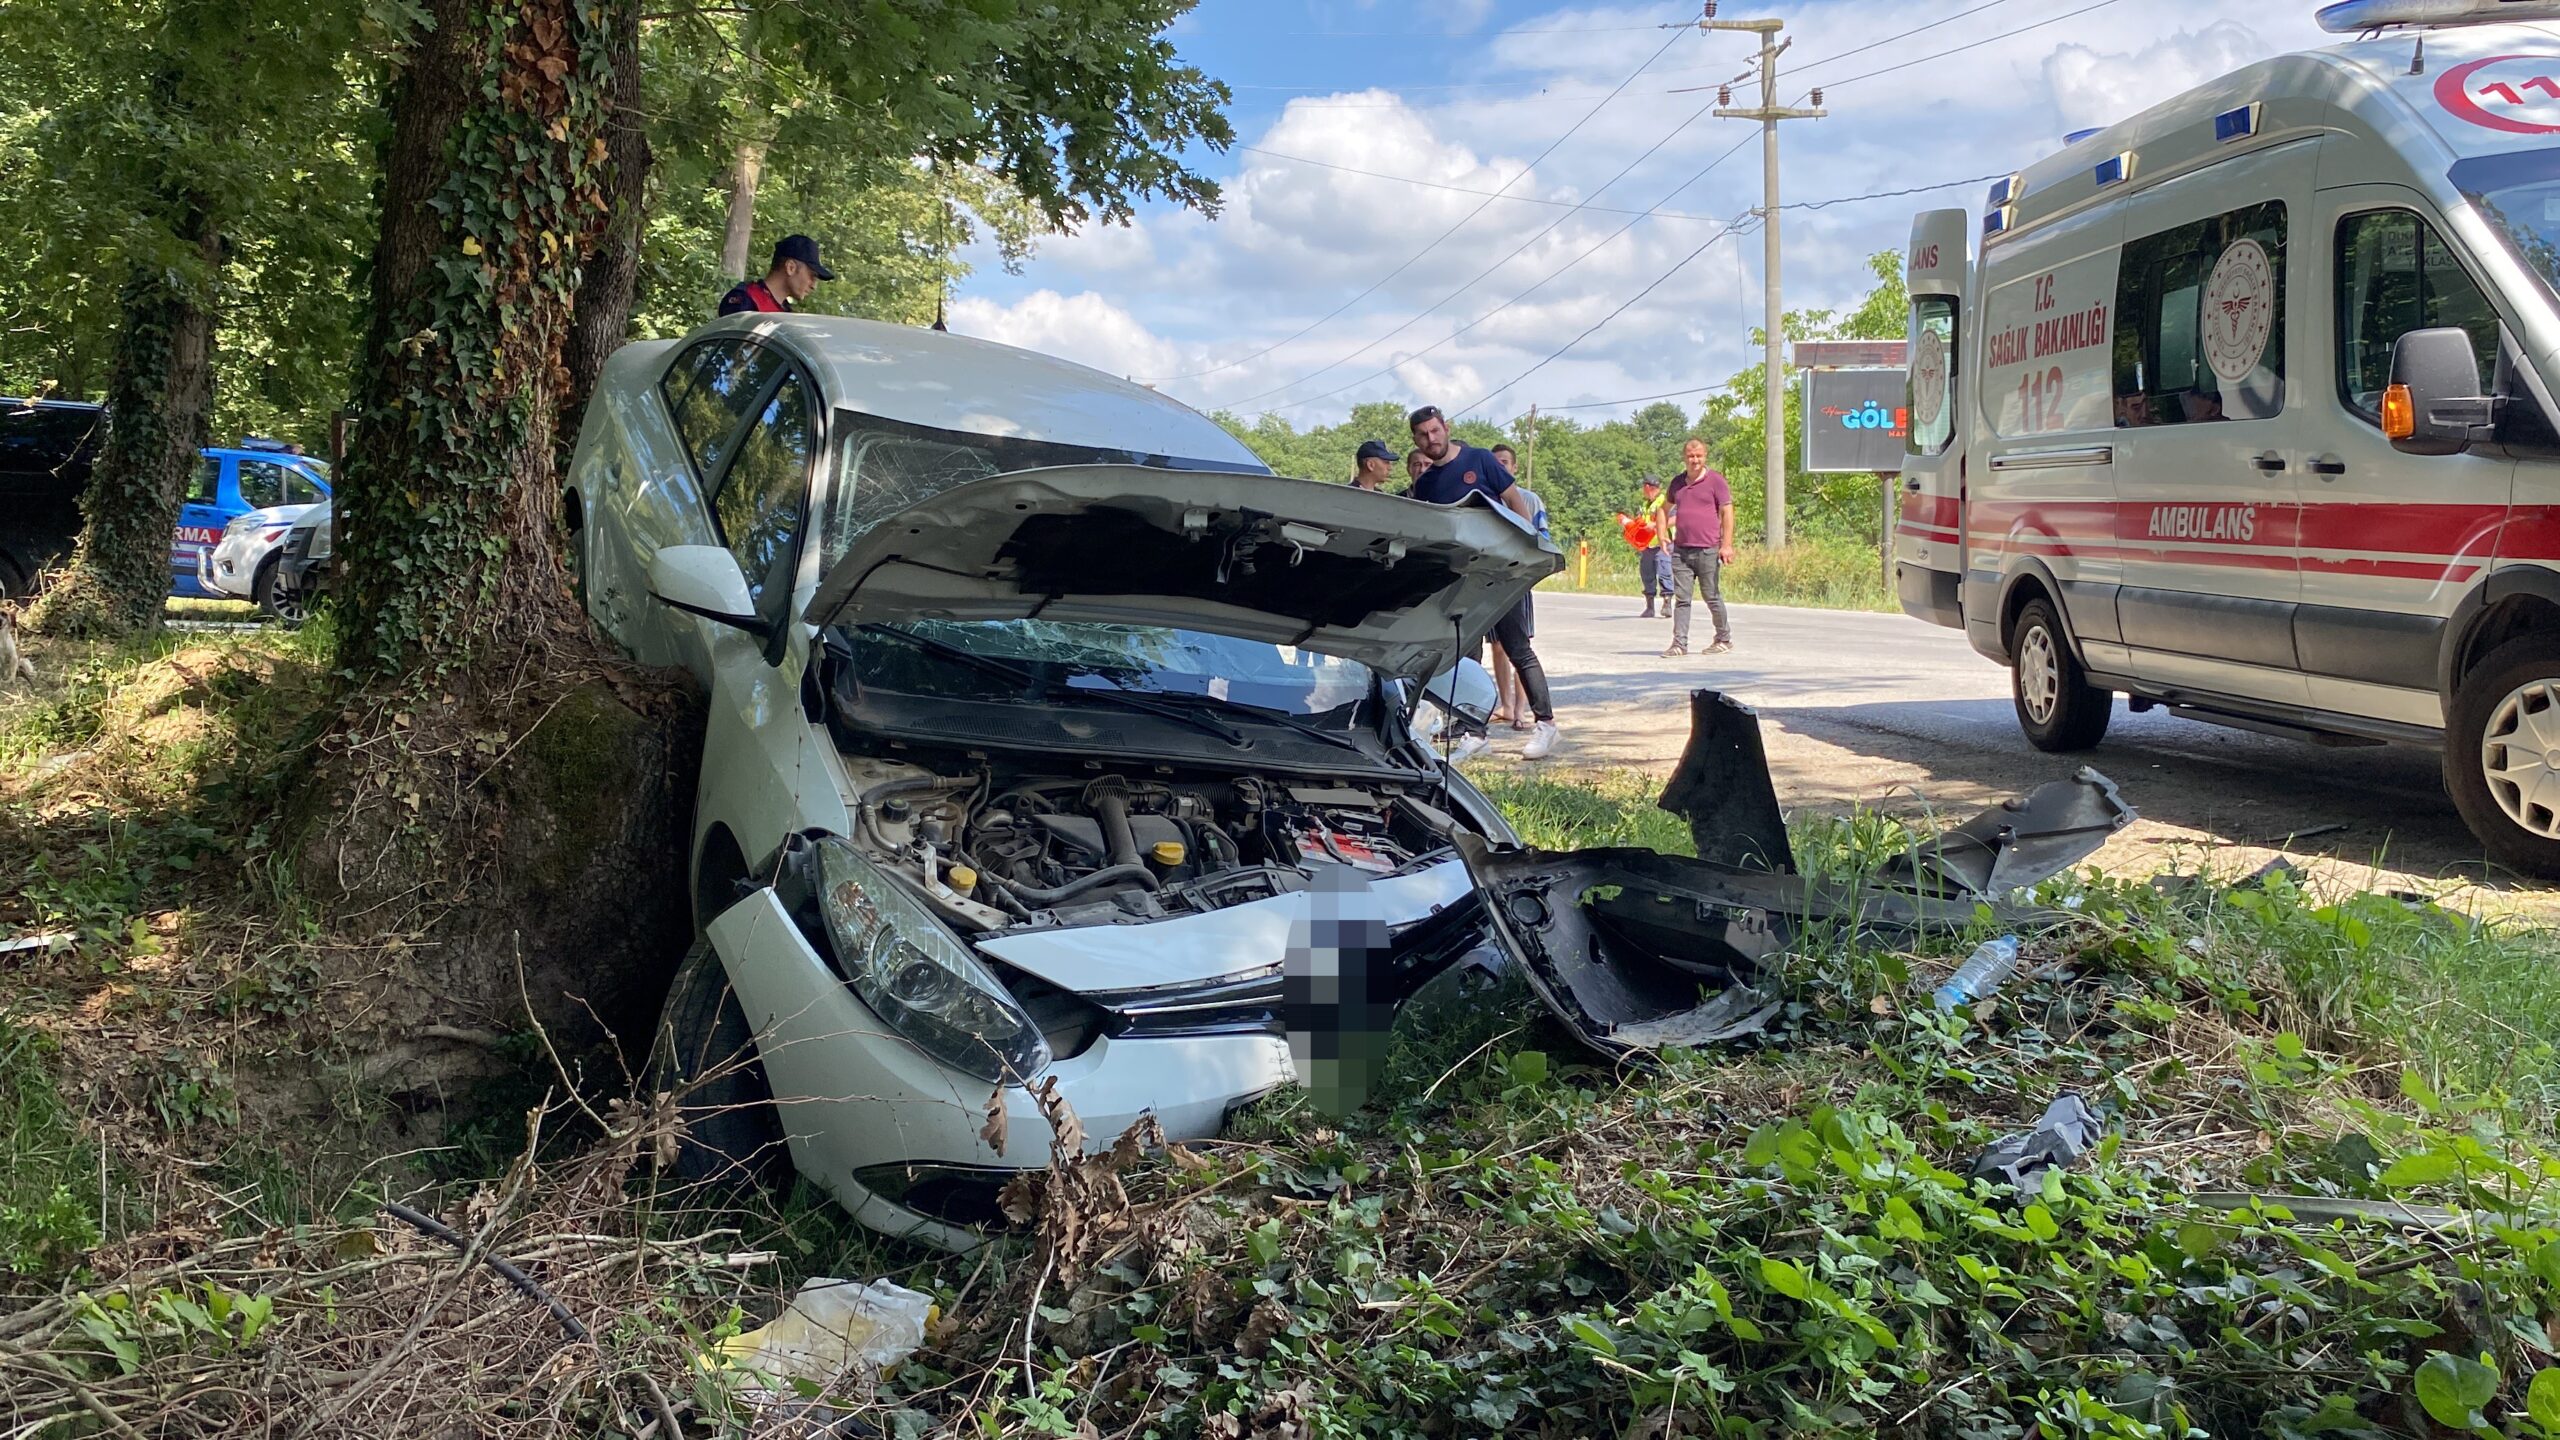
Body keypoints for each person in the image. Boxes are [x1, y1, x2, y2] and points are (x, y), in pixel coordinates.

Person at [1407, 407, 1558, 760]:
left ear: (1446, 427)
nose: (1432, 440)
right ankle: (1474, 730)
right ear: (1416, 440)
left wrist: (1525, 553)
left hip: (1504, 572)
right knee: (1464, 654)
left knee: (1517, 647)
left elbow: (1515, 502)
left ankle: (1546, 724)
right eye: (1423, 436)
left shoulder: (1480, 459)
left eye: (1435, 431)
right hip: (1463, 580)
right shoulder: (1426, 484)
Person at [1662, 437, 1736, 658]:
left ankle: (1723, 638)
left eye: (1699, 456)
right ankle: (1679, 644)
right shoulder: (1677, 483)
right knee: (1682, 599)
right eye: (1690, 456)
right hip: (1682, 550)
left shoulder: (1716, 481)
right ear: (1684, 458)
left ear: (1705, 457)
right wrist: (1661, 534)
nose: (1694, 460)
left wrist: (1727, 545)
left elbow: (1727, 512)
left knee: (1711, 595)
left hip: (1707, 548)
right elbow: (1663, 508)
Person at [718, 234, 836, 316]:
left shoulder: (786, 314)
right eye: (812, 276)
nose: (813, 286)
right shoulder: (744, 301)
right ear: (790, 267)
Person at [1635, 475, 1672, 618]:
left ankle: (1667, 603)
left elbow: (1675, 519)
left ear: (1648, 487)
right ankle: (1649, 607)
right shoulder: (1645, 505)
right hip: (1647, 546)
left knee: (1665, 572)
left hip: (1662, 543)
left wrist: (1656, 525)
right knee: (1647, 575)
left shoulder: (1665, 502)